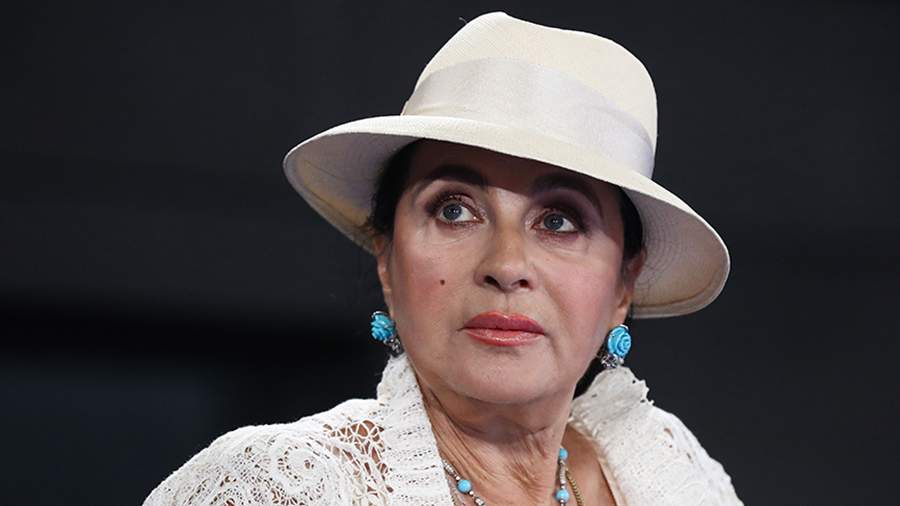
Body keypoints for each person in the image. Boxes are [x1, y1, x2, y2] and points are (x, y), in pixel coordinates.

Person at [144, 11, 742, 506]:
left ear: (622, 286)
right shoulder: (280, 487)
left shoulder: (670, 473)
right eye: (455, 210)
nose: (506, 265)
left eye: (559, 221)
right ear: (386, 259)